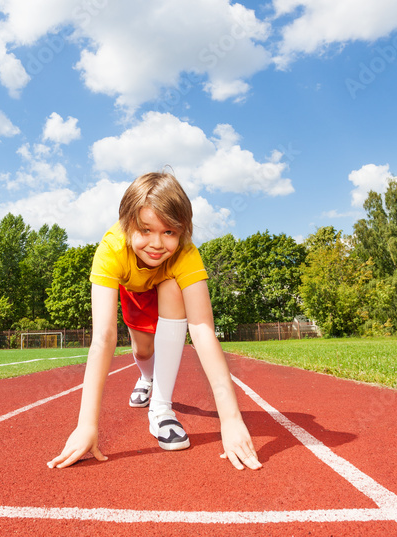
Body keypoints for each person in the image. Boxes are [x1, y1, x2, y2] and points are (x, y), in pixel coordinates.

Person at [47, 171, 261, 471]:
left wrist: (231, 419)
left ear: (183, 231)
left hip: (167, 284)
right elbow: (104, 338)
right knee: (143, 351)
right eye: (145, 230)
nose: (157, 244)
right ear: (126, 225)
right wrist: (86, 425)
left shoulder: (186, 253)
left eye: (169, 232)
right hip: (133, 289)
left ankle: (161, 410)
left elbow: (201, 329)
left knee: (173, 286)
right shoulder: (111, 250)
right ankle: (146, 377)